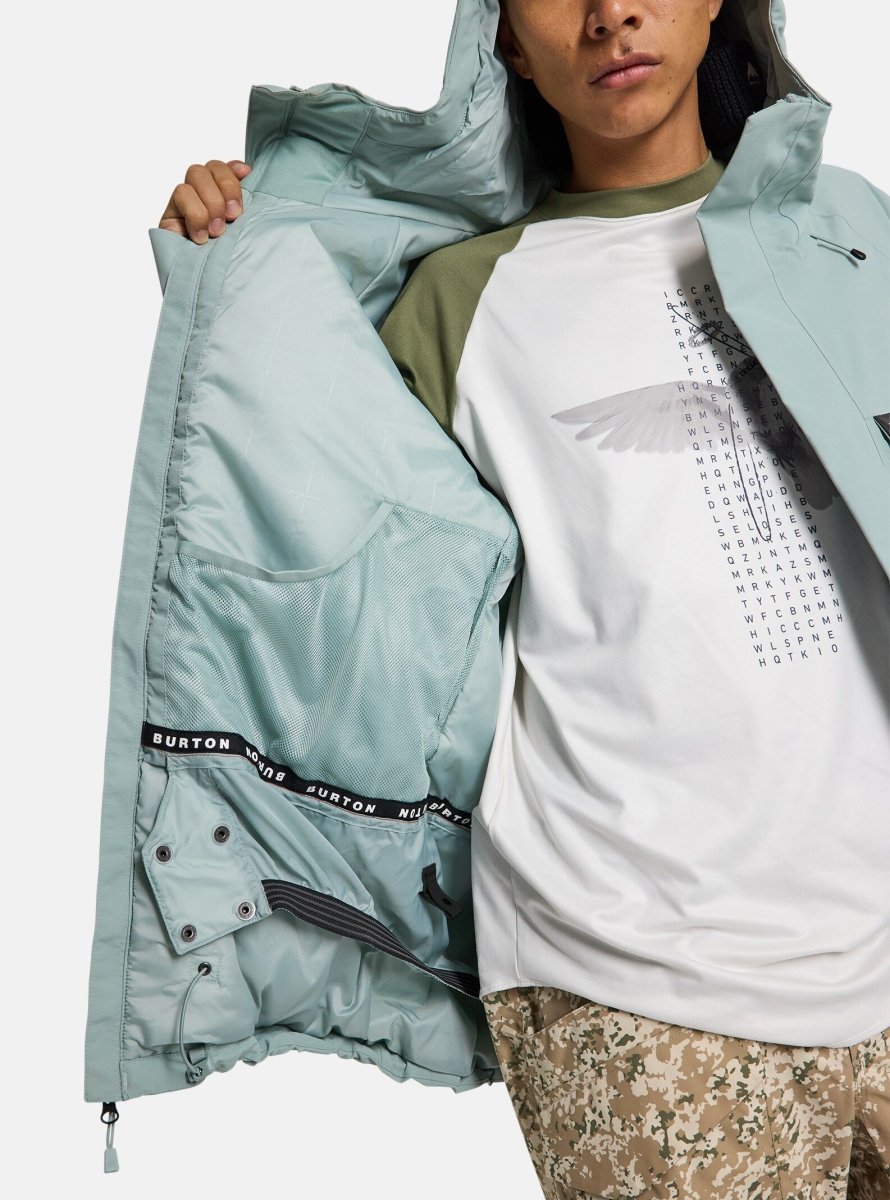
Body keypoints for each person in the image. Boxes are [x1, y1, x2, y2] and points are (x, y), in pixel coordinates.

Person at [157, 2, 890, 1196]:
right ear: (502, 39)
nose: (611, 14)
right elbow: (304, 540)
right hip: (635, 984)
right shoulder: (460, 300)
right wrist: (229, 281)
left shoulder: (846, 228)